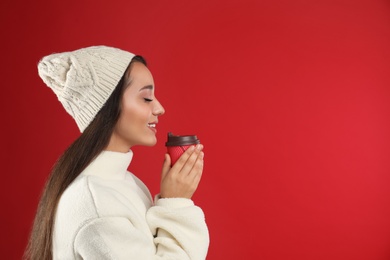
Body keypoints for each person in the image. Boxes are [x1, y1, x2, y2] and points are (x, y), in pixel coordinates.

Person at [24, 46, 209, 260]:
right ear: (107, 107)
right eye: (147, 98)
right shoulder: (97, 204)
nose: (159, 108)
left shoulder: (123, 183)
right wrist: (176, 202)